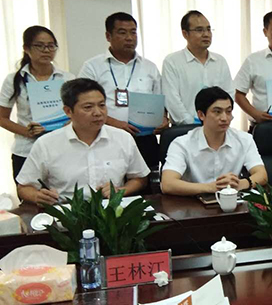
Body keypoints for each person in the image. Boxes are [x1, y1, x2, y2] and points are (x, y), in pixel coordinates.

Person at [16, 78, 150, 205]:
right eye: (88, 107)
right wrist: (37, 196)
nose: (98, 113)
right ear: (68, 111)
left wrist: (120, 191)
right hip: (67, 212)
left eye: (102, 105)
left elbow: (139, 178)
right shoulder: (46, 143)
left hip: (110, 212)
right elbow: (24, 187)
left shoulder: (123, 138)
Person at [79, 12, 167, 171]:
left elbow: (160, 102)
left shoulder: (149, 67)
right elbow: (83, 103)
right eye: (122, 32)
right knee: (110, 180)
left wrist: (163, 119)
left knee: (147, 181)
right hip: (106, 136)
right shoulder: (92, 66)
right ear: (108, 36)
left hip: (144, 138)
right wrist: (115, 123)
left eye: (133, 32)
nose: (129, 38)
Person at [161, 87, 267, 196]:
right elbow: (167, 184)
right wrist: (212, 187)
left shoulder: (244, 139)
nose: (224, 118)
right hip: (193, 202)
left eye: (228, 111)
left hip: (231, 201)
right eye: (217, 112)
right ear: (201, 115)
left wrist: (240, 184)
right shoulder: (181, 144)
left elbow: (262, 175)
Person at [0, 26, 74, 180]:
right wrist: (26, 132)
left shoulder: (67, 78)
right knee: (28, 193)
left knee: (60, 194)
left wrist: (68, 124)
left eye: (51, 46)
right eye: (39, 46)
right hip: (26, 150)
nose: (46, 50)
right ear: (26, 48)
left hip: (61, 149)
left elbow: (77, 112)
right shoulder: (14, 79)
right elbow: (2, 117)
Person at [162, 10, 233, 125]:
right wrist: (193, 123)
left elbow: (229, 94)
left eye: (208, 29)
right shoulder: (172, 62)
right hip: (185, 129)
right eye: (199, 30)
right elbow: (172, 100)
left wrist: (219, 119)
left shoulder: (220, 61)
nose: (206, 34)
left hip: (217, 127)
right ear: (185, 34)